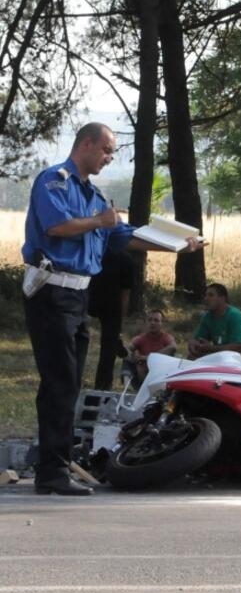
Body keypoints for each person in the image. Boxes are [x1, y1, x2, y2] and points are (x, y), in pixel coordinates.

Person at [21, 122, 204, 496]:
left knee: (69, 383)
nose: (108, 158)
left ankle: (53, 463)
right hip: (51, 293)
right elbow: (57, 227)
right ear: (86, 144)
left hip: (77, 297)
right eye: (105, 150)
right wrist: (100, 221)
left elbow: (123, 236)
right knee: (59, 383)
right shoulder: (54, 181)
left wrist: (175, 246)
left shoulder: (94, 195)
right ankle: (51, 472)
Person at [88, 248, 134, 390]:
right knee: (108, 349)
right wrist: (120, 323)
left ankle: (71, 380)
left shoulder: (91, 251)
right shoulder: (125, 258)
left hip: (87, 298)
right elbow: (125, 293)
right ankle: (102, 385)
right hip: (112, 304)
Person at [187, 283, 241, 365]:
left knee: (228, 360)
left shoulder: (234, 315)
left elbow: (240, 347)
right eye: (205, 295)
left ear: (222, 298)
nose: (206, 299)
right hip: (223, 356)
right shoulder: (208, 317)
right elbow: (198, 338)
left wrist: (211, 348)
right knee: (192, 357)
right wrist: (193, 343)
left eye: (211, 295)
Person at [125, 309, 177, 384]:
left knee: (173, 357)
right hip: (142, 375)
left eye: (156, 320)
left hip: (160, 377)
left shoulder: (166, 337)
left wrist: (148, 358)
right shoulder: (140, 338)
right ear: (146, 322)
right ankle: (127, 385)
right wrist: (134, 355)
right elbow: (127, 349)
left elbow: (173, 347)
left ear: (161, 323)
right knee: (126, 358)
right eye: (150, 320)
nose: (152, 323)